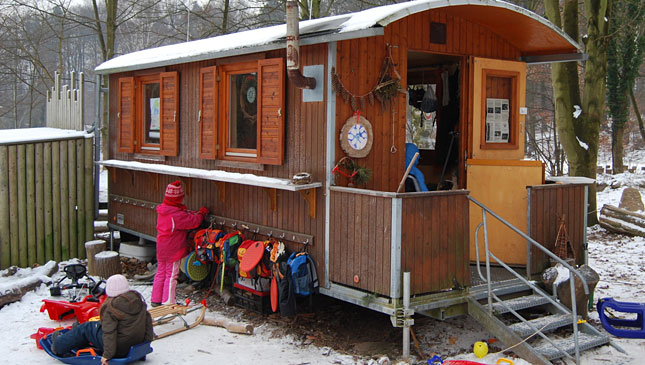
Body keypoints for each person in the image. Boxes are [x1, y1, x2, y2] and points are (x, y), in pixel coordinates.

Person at [51, 274, 154, 364]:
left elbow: (109, 332)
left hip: (118, 348)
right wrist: (145, 344)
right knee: (99, 324)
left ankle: (58, 345)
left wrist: (108, 355)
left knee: (87, 327)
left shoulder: (112, 307)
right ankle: (79, 332)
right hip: (134, 343)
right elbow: (148, 322)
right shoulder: (137, 301)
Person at [151, 180, 209, 306]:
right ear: (177, 199)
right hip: (172, 249)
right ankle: (168, 302)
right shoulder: (176, 214)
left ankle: (156, 299)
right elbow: (192, 222)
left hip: (161, 247)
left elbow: (184, 216)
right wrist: (201, 214)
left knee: (160, 273)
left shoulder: (164, 210)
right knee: (171, 275)